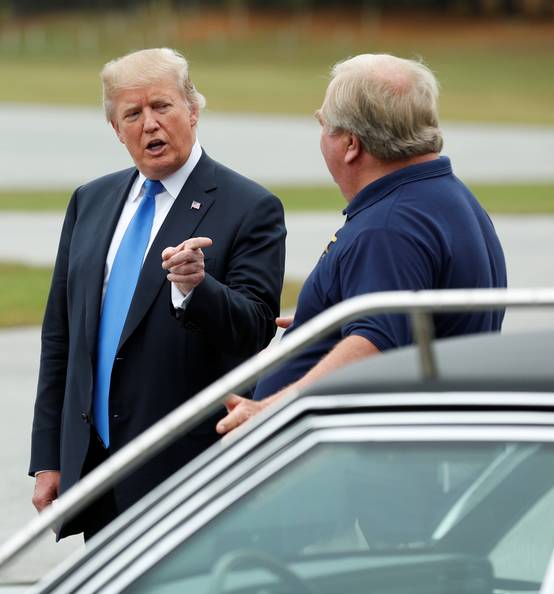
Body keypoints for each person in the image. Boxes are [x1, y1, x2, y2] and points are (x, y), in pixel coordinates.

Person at [29, 48, 286, 538]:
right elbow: (61, 336)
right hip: (98, 467)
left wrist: (196, 288)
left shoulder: (250, 207)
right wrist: (49, 455)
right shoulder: (90, 201)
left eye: (162, 106)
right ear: (116, 128)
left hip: (187, 467)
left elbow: (255, 328)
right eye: (133, 113)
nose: (150, 124)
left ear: (193, 109)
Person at [217, 53, 507, 435]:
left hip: (376, 454)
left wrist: (268, 410)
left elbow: (375, 342)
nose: (322, 136)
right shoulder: (445, 197)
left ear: (351, 144)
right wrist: (328, 319)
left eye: (324, 125)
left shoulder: (388, 227)